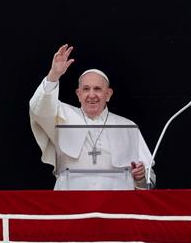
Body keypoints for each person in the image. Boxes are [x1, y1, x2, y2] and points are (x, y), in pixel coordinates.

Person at [29, 44, 154, 190]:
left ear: (108, 95)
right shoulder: (61, 116)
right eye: (86, 89)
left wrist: (140, 177)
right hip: (71, 202)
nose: (91, 95)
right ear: (78, 94)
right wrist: (53, 76)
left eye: (98, 89)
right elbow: (39, 110)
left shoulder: (128, 127)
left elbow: (148, 179)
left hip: (116, 206)